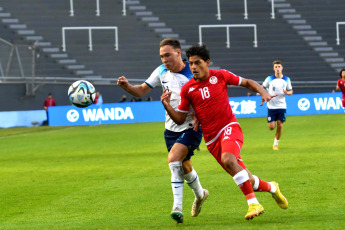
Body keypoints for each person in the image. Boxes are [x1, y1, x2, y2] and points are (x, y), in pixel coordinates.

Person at [161, 44, 288, 221]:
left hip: (229, 127)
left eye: (197, 63)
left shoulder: (219, 76)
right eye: (190, 63)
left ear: (207, 62)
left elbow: (247, 82)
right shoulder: (188, 89)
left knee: (228, 159)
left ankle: (253, 203)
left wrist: (263, 91)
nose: (194, 67)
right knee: (248, 180)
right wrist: (166, 105)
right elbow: (181, 119)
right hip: (212, 140)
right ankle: (273, 188)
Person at [117, 38, 208, 224]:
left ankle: (177, 207)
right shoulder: (161, 71)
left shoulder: (192, 73)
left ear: (178, 52)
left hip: (192, 126)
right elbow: (141, 90)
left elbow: (206, 96)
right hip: (171, 128)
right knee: (184, 166)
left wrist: (200, 114)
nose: (164, 59)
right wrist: (128, 87)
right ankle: (200, 194)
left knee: (174, 159)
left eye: (167, 55)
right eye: (161, 56)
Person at [262, 60, 293, 150]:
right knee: (271, 127)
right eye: (276, 67)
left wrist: (287, 92)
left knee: (280, 125)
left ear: (282, 68)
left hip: (282, 106)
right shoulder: (269, 79)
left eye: (279, 67)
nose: (277, 68)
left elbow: (291, 91)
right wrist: (265, 95)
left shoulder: (287, 79)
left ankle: (275, 144)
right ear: (273, 68)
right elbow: (262, 87)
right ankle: (275, 140)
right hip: (271, 106)